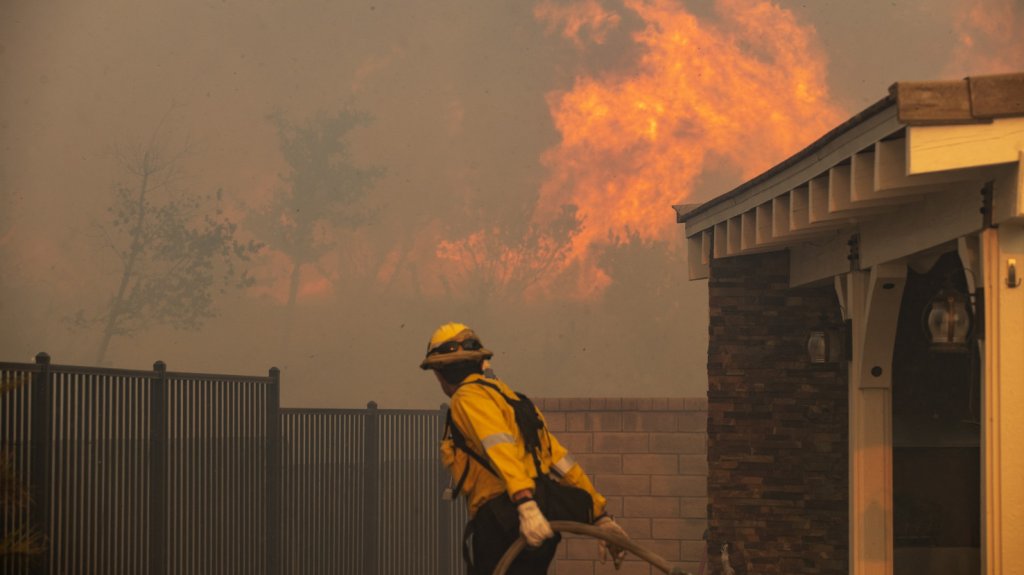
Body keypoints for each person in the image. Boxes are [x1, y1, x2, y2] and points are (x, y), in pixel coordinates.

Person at [420, 322, 630, 574]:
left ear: (441, 371)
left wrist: (525, 503)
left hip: (506, 519)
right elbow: (560, 460)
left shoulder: (467, 399)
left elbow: (500, 448)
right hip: (540, 516)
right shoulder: (512, 399)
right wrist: (600, 516)